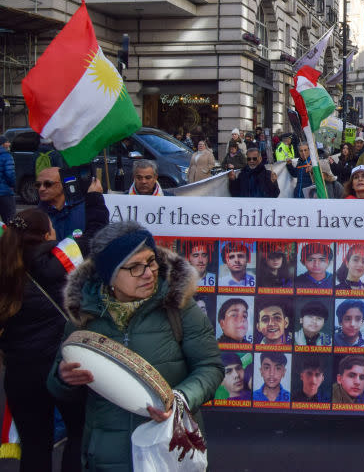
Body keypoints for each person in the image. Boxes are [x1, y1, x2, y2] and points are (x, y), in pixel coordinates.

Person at [49, 221, 223, 469]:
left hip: (169, 452)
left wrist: (179, 400)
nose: (149, 273)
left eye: (151, 261)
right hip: (107, 456)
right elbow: (56, 385)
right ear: (109, 274)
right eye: (134, 267)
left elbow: (210, 367)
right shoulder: (85, 314)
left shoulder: (179, 306)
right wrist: (63, 378)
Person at [0, 210, 86, 471]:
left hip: (20, 373)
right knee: (78, 436)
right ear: (47, 234)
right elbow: (95, 236)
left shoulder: (3, 267)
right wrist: (94, 199)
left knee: (35, 447)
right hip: (63, 368)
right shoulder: (59, 266)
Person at [36, 167, 108, 248]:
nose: (41, 189)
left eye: (48, 184)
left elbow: (97, 238)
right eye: (38, 185)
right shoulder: (36, 216)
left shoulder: (85, 208)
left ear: (63, 184)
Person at [0, 135, 15, 222]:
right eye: (7, 142)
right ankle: (10, 236)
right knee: (10, 220)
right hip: (5, 193)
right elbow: (10, 174)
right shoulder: (7, 156)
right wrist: (13, 185)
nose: (9, 144)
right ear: (2, 144)